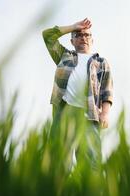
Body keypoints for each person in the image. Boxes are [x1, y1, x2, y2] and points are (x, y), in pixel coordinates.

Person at [42, 18, 113, 170]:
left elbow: (107, 90)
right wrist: (73, 26)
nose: (83, 37)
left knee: (91, 166)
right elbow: (48, 35)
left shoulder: (101, 62)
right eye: (79, 35)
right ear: (72, 41)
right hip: (64, 114)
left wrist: (105, 113)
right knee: (59, 163)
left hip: (89, 116)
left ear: (92, 40)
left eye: (87, 35)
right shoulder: (64, 55)